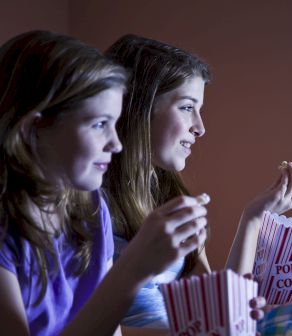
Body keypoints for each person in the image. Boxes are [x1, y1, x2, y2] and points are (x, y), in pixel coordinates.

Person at [104, 34, 292, 336]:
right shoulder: (94, 208)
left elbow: (226, 308)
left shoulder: (170, 198)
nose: (200, 127)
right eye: (186, 107)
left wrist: (253, 217)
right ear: (138, 107)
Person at [0, 30, 212, 336]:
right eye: (99, 124)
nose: (115, 143)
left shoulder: (89, 209)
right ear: (34, 128)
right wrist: (133, 270)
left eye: (114, 123)